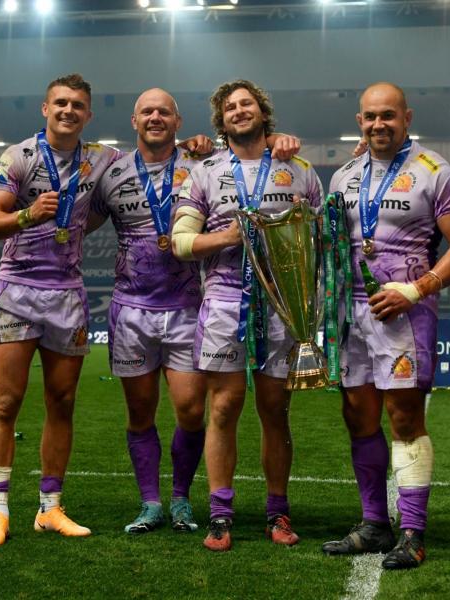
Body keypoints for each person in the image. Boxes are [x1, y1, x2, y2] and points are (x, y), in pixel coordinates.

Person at [88, 88, 299, 535]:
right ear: (133, 120)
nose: (155, 117)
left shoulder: (199, 163)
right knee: (140, 413)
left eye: (164, 111)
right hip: (131, 306)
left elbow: (253, 158)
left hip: (189, 304)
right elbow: (80, 218)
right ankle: (150, 503)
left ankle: (183, 499)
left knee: (192, 410)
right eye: (147, 111)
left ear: (180, 121)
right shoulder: (113, 170)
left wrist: (282, 140)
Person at [321, 82, 450, 570]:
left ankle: (412, 530)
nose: (378, 124)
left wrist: (418, 288)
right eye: (369, 117)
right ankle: (373, 523)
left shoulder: (434, 171)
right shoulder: (343, 176)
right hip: (350, 311)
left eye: (388, 115)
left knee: (405, 419)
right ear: (358, 121)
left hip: (403, 310)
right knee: (357, 416)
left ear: (406, 118)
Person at [170, 79, 322, 552]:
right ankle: (220, 513)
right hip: (223, 301)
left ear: (263, 112)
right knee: (223, 408)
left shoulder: (297, 169)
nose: (239, 111)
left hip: (282, 305)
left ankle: (278, 511)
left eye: (247, 104)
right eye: (230, 107)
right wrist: (224, 239)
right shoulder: (203, 172)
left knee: (275, 410)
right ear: (221, 120)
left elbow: (322, 236)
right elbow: (180, 242)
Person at [0, 73, 119, 547]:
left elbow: (150, 163)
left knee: (62, 403)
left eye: (78, 104)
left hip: (68, 295)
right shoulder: (17, 157)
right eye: (60, 103)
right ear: (45, 109)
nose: (68, 111)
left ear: (88, 114)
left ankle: (50, 509)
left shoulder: (101, 159)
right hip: (18, 289)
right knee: (6, 401)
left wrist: (197, 145)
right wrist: (27, 215)